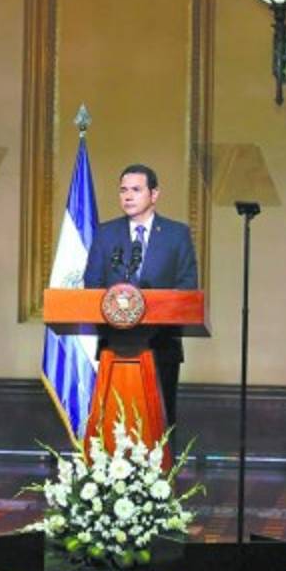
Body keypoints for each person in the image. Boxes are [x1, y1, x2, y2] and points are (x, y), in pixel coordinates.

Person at [83, 163, 199, 430]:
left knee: (160, 423)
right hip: (115, 343)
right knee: (114, 422)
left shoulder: (176, 234)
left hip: (162, 345)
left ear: (154, 194)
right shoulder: (106, 234)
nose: (128, 196)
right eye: (123, 190)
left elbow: (187, 286)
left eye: (136, 190)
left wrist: (154, 308)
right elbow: (92, 285)